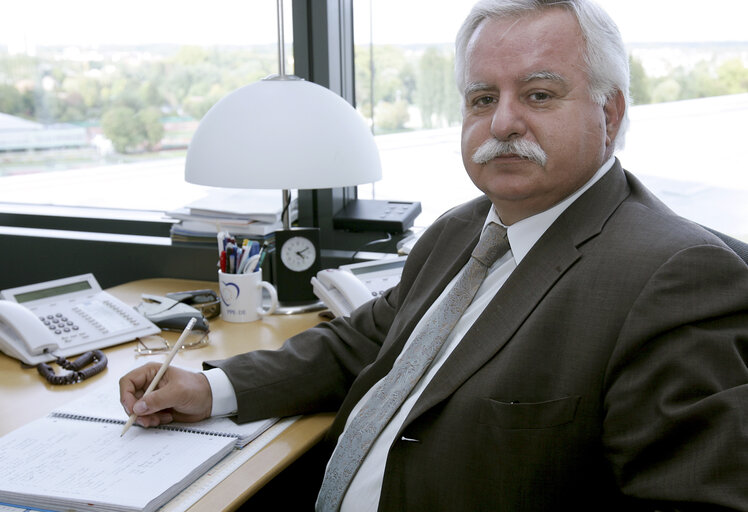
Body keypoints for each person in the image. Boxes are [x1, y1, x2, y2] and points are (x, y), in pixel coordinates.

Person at [120, 0, 748, 510]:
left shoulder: (676, 277)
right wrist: (211, 388)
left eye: (538, 94)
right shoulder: (462, 228)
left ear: (609, 114)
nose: (502, 122)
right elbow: (360, 346)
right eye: (481, 99)